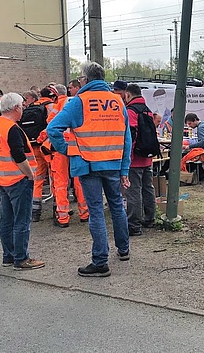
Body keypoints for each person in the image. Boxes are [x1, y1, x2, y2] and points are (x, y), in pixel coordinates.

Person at [47, 62, 132, 277]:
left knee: (95, 211)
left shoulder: (79, 102)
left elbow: (52, 129)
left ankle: (100, 261)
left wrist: (67, 150)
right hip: (113, 163)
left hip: (87, 164)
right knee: (116, 206)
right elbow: (126, 138)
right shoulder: (117, 101)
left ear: (85, 80)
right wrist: (124, 168)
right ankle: (123, 249)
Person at [0, 92, 45, 270]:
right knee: (21, 220)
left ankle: (9, 256)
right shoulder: (12, 128)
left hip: (3, 179)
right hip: (18, 179)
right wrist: (30, 174)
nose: (23, 109)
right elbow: (19, 156)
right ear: (15, 108)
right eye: (22, 106)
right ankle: (21, 258)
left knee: (6, 220)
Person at [45, 84, 89, 227]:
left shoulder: (59, 106)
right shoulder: (80, 103)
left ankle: (63, 217)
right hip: (77, 146)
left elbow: (50, 125)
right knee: (80, 180)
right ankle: (85, 213)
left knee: (60, 182)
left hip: (61, 147)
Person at [124, 83, 157, 236]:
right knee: (148, 188)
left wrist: (127, 158)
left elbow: (131, 136)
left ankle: (134, 225)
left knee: (133, 191)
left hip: (135, 159)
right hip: (147, 158)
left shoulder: (131, 111)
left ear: (128, 95)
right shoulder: (147, 110)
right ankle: (150, 218)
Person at [18, 87, 55, 223]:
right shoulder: (51, 107)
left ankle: (35, 211)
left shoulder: (30, 109)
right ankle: (57, 209)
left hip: (33, 147)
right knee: (55, 177)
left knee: (37, 178)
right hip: (47, 147)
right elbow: (53, 126)